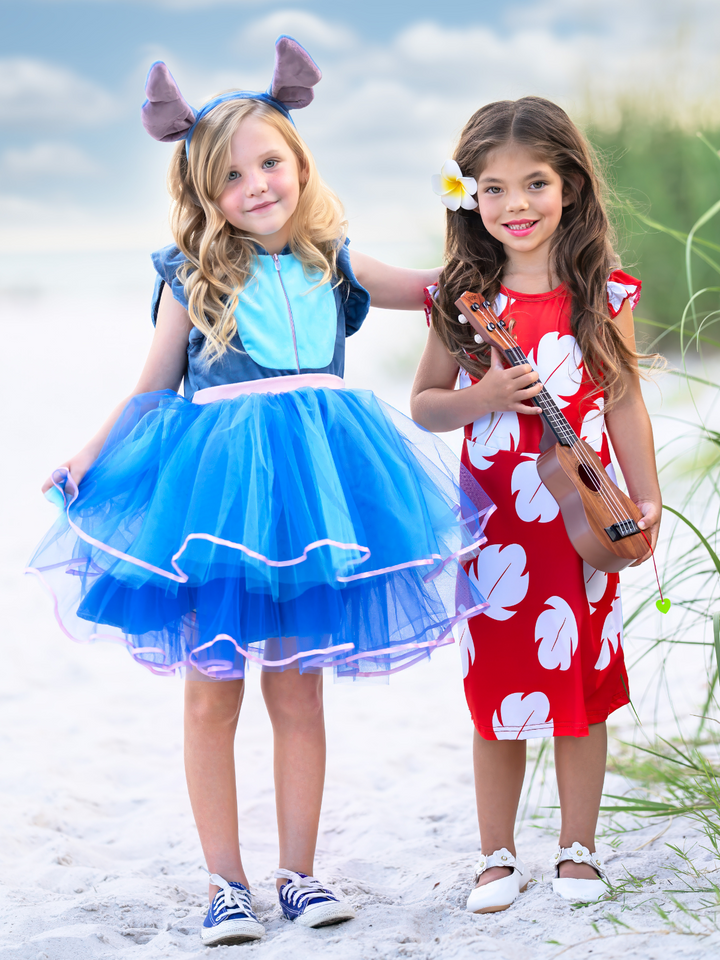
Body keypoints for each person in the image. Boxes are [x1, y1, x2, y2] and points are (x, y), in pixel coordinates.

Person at [26, 37, 494, 947]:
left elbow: (436, 290)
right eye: (231, 177)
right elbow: (151, 389)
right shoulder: (190, 277)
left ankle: (300, 874)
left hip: (319, 498)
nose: (256, 185)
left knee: (299, 691)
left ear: (300, 163)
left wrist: (488, 234)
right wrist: (86, 456)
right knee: (212, 694)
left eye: (270, 163)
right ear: (204, 194)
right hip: (218, 507)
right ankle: (224, 884)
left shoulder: (334, 261)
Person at [411, 96, 662, 913]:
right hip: (494, 529)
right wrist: (480, 396)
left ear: (570, 187)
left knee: (581, 687)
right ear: (469, 197)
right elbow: (425, 403)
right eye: (493, 188)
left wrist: (647, 491)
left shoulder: (604, 295)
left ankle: (577, 849)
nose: (515, 205)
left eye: (535, 184)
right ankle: (496, 856)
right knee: (498, 687)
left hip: (580, 522)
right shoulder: (461, 298)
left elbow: (623, 400)